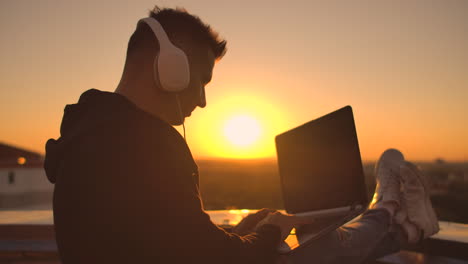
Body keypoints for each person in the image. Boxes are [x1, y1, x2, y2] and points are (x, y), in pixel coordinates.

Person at [44, 6, 439, 264]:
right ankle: (388, 209)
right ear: (168, 68)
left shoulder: (90, 135)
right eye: (200, 81)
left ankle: (401, 226)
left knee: (295, 241)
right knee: (315, 249)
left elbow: (170, 244)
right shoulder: (150, 145)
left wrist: (244, 230)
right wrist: (267, 234)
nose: (201, 100)